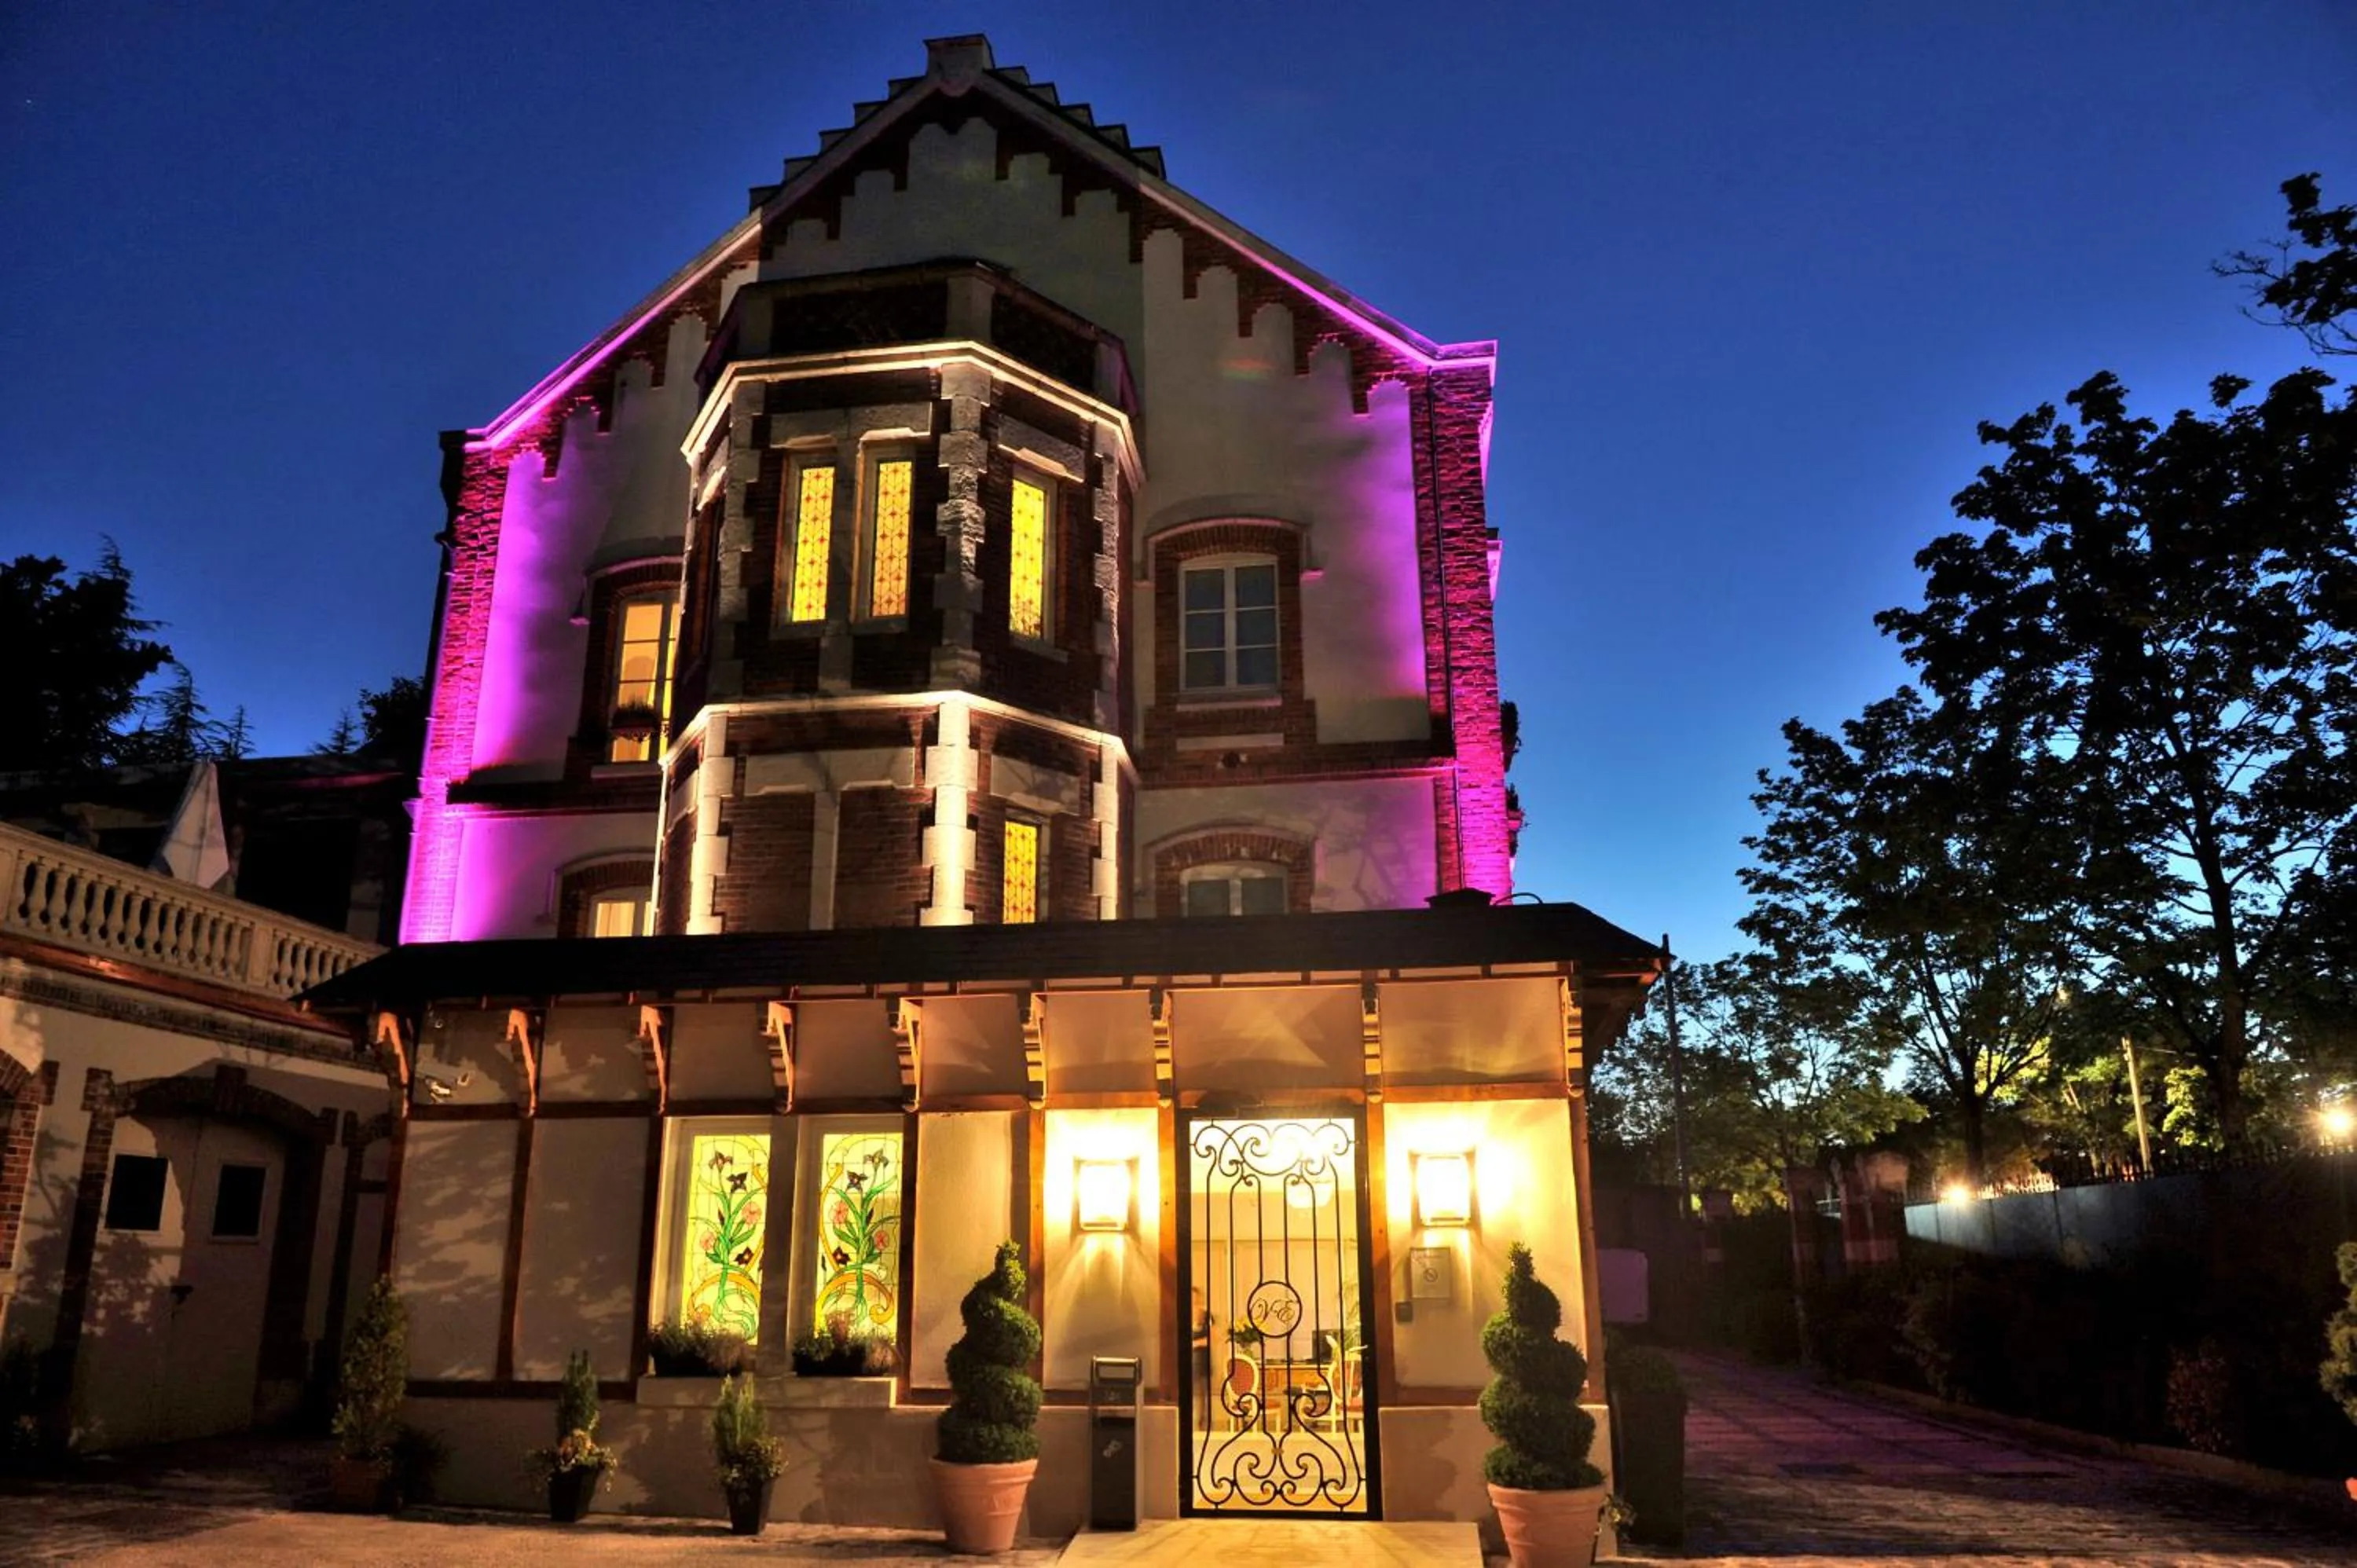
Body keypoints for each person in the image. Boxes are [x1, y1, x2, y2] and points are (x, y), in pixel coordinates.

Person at [1190, 1287, 1212, 1430]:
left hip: (1203, 1360)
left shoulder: (1207, 1315)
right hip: (1189, 1360)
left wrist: (1196, 1343)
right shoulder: (1183, 1314)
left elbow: (1212, 1338)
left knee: (1202, 1393)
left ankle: (1201, 1422)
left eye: (1195, 1297)